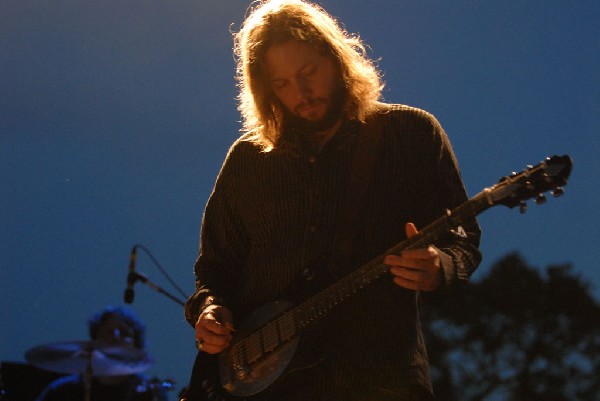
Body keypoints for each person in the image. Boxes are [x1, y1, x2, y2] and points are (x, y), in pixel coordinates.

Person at [183, 0, 482, 400]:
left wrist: (440, 266)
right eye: (282, 84)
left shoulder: (409, 133)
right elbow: (215, 269)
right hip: (261, 386)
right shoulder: (248, 159)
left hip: (375, 377)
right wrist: (210, 311)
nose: (301, 93)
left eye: (309, 73)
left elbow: (462, 238)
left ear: (337, 60)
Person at [35, 306, 168, 401]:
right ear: (94, 341)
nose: (116, 337)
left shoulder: (149, 393)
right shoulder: (64, 391)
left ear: (136, 345)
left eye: (124, 333)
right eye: (109, 332)